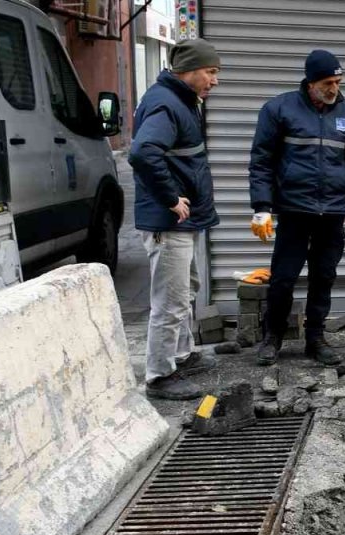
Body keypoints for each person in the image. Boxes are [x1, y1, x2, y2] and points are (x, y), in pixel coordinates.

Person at [248, 49, 345, 367]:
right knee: (283, 278)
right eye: (328, 82)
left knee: (324, 276)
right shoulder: (279, 109)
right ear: (311, 82)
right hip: (294, 210)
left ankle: (315, 338)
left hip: (332, 212)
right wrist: (262, 207)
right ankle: (272, 337)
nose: (334, 89)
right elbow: (261, 162)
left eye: (338, 81)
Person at [129, 38, 222, 400]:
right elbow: (143, 152)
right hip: (169, 224)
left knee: (186, 291)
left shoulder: (182, 100)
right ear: (188, 71)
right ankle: (159, 375)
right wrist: (170, 198)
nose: (215, 80)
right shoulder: (167, 103)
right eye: (210, 72)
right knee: (169, 300)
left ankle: (181, 356)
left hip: (185, 221)